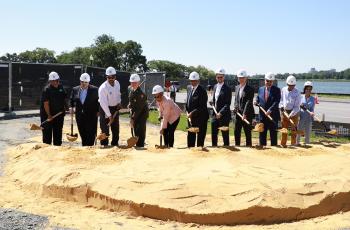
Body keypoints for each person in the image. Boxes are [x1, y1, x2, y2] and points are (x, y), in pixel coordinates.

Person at [70, 73, 99, 146]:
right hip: (79, 116)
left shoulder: (95, 90)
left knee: (91, 133)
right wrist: (71, 107)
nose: (84, 84)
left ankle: (90, 147)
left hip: (91, 115)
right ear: (80, 81)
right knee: (82, 132)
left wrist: (98, 111)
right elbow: (72, 100)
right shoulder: (75, 89)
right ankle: (84, 146)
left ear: (88, 82)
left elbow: (99, 101)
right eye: (82, 82)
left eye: (86, 82)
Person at [40, 71, 67, 146]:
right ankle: (47, 149)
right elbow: (46, 104)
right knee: (47, 134)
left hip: (59, 114)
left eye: (57, 80)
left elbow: (64, 98)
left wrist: (66, 107)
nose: (55, 82)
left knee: (58, 133)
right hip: (47, 115)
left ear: (58, 80)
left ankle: (57, 147)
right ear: (50, 81)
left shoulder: (61, 87)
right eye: (53, 81)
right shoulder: (47, 90)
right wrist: (49, 115)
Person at [255, 72, 281, 146]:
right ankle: (262, 148)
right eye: (267, 81)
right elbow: (258, 98)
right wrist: (256, 101)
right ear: (264, 80)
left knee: (273, 134)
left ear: (272, 81)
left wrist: (270, 110)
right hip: (262, 116)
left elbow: (276, 102)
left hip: (272, 116)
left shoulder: (277, 90)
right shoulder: (260, 89)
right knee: (262, 133)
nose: (268, 82)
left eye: (270, 81)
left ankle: (274, 149)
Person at [98, 66, 122, 146]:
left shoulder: (117, 83)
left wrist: (119, 102)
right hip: (105, 109)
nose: (111, 79)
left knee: (116, 129)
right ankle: (104, 145)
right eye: (109, 77)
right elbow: (103, 103)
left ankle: (115, 144)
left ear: (115, 76)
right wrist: (109, 115)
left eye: (113, 77)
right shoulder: (103, 88)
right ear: (106, 77)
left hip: (115, 108)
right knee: (105, 129)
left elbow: (118, 94)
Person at [186, 71, 209, 147]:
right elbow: (188, 101)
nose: (193, 82)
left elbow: (202, 107)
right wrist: (187, 111)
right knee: (191, 137)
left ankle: (200, 155)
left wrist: (191, 113)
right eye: (191, 81)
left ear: (198, 81)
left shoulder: (202, 91)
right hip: (191, 118)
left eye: (195, 81)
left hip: (201, 118)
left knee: (200, 139)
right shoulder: (189, 88)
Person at [210, 68, 232, 146]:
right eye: (218, 77)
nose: (219, 78)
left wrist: (221, 113)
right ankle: (214, 148)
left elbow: (227, 104)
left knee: (225, 135)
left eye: (221, 77)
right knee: (214, 134)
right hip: (215, 115)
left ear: (224, 77)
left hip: (224, 116)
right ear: (216, 77)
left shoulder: (228, 89)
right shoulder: (215, 86)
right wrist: (212, 103)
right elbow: (215, 99)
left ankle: (227, 151)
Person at [233, 69, 255, 146]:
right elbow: (236, 100)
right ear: (238, 78)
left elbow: (248, 102)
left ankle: (249, 148)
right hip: (238, 114)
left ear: (246, 78)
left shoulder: (250, 89)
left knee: (247, 132)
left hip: (247, 115)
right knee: (236, 132)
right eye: (239, 78)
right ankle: (237, 146)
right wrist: (235, 107)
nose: (241, 79)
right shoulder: (236, 87)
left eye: (243, 77)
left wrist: (245, 113)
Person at [279, 75, 301, 147]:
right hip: (284, 111)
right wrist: (281, 106)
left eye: (293, 85)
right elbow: (281, 100)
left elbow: (297, 107)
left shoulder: (297, 92)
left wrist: (290, 114)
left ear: (295, 85)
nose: (291, 87)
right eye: (289, 85)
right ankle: (283, 143)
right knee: (284, 129)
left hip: (294, 113)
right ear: (287, 84)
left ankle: (293, 143)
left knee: (293, 129)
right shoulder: (283, 90)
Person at [129, 73, 149, 147]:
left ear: (138, 83)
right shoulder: (131, 90)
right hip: (135, 112)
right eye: (132, 82)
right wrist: (130, 105)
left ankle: (140, 144)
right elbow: (132, 101)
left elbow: (139, 109)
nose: (133, 84)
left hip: (142, 114)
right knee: (135, 127)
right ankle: (136, 141)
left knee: (140, 129)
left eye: (135, 82)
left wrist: (132, 118)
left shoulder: (141, 94)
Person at [297, 81, 315, 145]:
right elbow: (298, 106)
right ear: (304, 89)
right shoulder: (300, 97)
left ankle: (307, 143)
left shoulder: (313, 99)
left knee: (308, 131)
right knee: (299, 130)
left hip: (309, 117)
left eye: (310, 89)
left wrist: (312, 112)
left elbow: (312, 108)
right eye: (307, 89)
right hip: (301, 116)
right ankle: (297, 143)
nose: (308, 90)